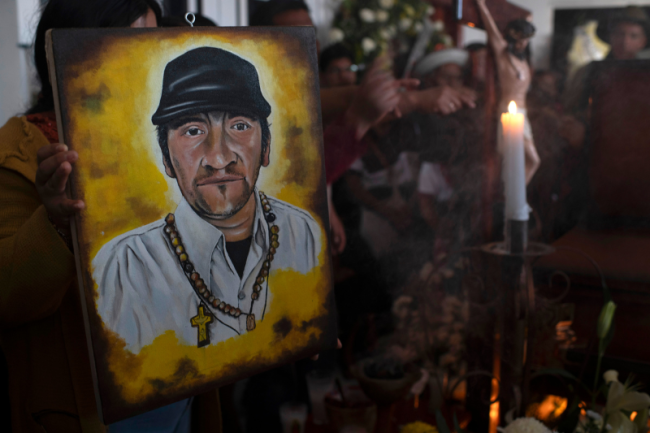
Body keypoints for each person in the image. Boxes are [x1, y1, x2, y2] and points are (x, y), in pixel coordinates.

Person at [0, 1, 229, 432]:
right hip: (92, 405)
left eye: (154, 43)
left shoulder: (171, 139)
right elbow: (9, 295)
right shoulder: (19, 153)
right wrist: (55, 221)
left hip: (181, 380)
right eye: (127, 46)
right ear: (70, 55)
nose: (148, 61)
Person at [93, 47, 321, 353]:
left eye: (239, 126)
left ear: (265, 148)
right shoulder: (125, 268)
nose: (218, 157)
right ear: (167, 160)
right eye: (193, 131)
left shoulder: (304, 233)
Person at [475, 0, 540, 185]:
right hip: (509, 112)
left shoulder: (524, 61)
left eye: (526, 40)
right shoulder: (504, 55)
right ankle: (511, 194)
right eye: (519, 39)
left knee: (524, 161)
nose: (522, 44)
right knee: (530, 160)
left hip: (523, 114)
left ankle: (513, 195)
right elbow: (491, 29)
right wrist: (481, 5)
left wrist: (527, 18)